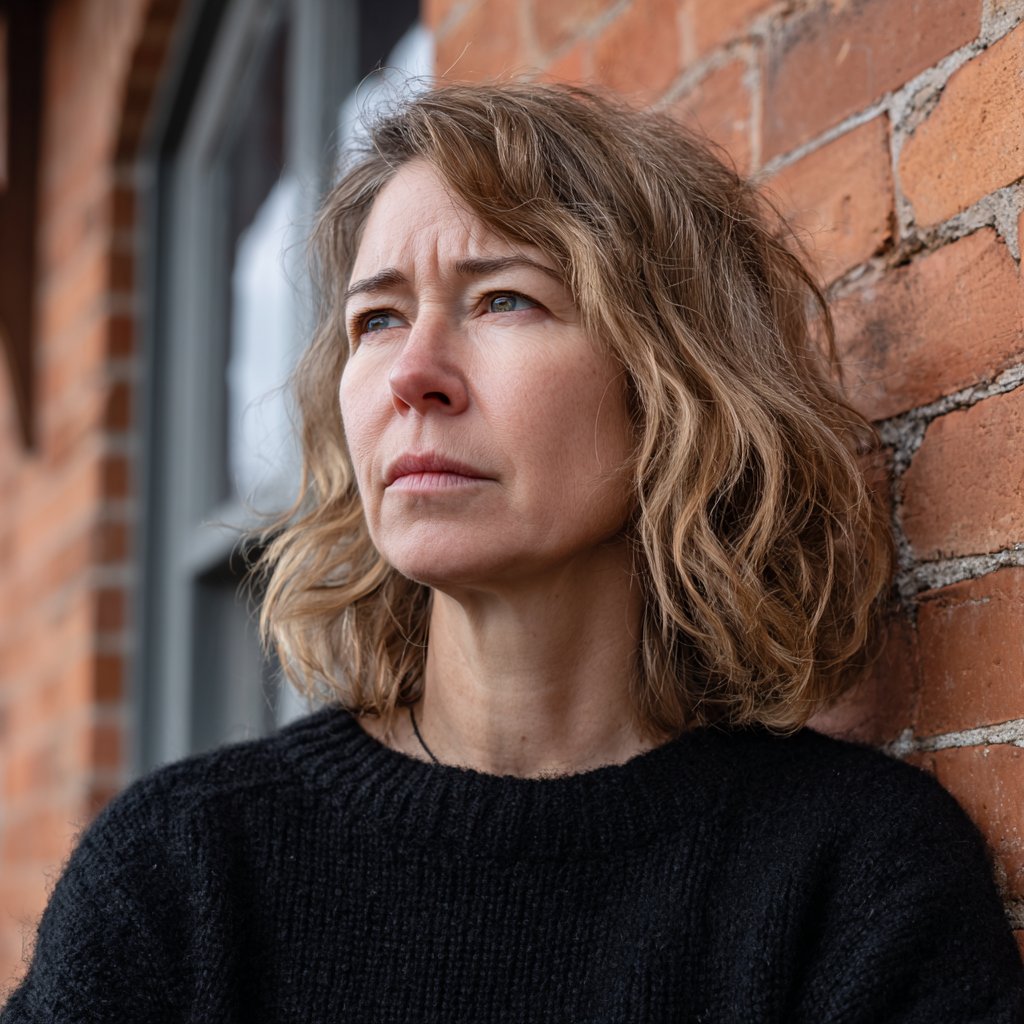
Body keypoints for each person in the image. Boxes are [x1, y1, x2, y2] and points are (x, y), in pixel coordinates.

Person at [3, 82, 1022, 1023]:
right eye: (376, 318)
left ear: (671, 381)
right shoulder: (184, 866)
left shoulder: (854, 876)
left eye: (504, 299)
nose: (413, 375)